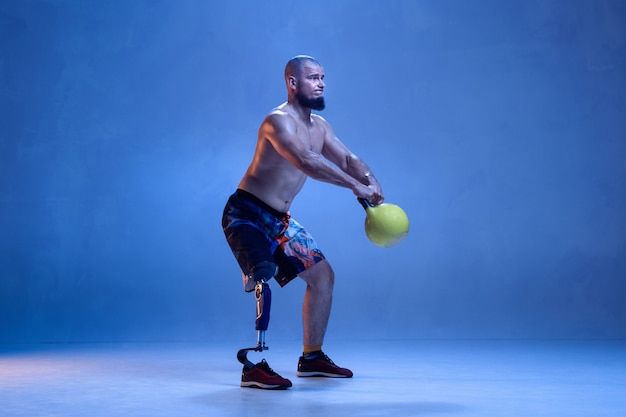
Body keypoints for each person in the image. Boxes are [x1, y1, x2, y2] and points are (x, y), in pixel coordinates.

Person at [222, 55, 384, 389]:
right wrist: (355, 186)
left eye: (323, 77)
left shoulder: (320, 127)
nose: (321, 83)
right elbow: (306, 160)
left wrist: (372, 180)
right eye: (313, 77)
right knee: (263, 276)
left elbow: (349, 159)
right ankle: (254, 364)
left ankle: (311, 358)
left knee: (323, 277)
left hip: (280, 221)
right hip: (246, 214)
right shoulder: (277, 121)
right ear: (293, 83)